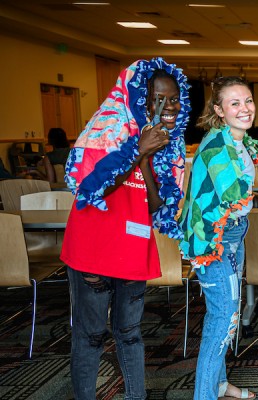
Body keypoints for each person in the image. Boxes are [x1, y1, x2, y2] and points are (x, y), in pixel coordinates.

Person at [61, 59, 190, 400]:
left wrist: (147, 157)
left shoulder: (168, 145)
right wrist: (136, 150)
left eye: (175, 98)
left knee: (130, 332)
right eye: (159, 98)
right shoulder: (104, 130)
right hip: (93, 247)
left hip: (132, 249)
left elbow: (155, 205)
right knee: (90, 335)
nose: (170, 106)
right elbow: (90, 188)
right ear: (137, 97)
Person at [179, 76, 258, 400]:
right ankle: (205, 395)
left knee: (228, 312)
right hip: (214, 240)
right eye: (235, 103)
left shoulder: (237, 140)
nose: (245, 108)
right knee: (222, 318)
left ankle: (219, 384)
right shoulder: (216, 145)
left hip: (233, 233)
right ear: (219, 109)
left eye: (248, 101)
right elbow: (233, 192)